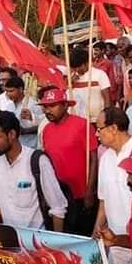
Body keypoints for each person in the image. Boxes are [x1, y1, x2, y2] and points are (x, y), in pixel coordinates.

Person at [0, 111, 68, 231]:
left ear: (12, 134)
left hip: (37, 243)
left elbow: (58, 208)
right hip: (10, 243)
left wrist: (55, 246)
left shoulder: (38, 161)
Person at [94, 107, 132, 264]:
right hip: (115, 241)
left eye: (99, 128)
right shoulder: (105, 158)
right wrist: (97, 229)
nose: (96, 133)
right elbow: (103, 201)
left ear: (113, 128)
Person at [38, 86, 98, 235]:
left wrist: (90, 191)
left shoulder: (82, 125)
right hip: (57, 196)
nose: (47, 110)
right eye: (45, 107)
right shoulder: (46, 130)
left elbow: (93, 158)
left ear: (65, 105)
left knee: (81, 237)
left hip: (80, 195)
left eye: (52, 106)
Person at [0, 77, 45, 148]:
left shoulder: (33, 104)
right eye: (7, 92)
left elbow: (43, 125)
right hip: (16, 145)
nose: (8, 94)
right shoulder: (9, 106)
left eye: (11, 91)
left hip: (31, 145)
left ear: (20, 89)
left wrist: (25, 130)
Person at [68, 48, 112, 123]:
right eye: (75, 67)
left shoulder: (100, 74)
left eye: (79, 66)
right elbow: (68, 98)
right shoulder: (72, 78)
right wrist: (70, 84)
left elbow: (107, 99)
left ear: (87, 62)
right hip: (80, 120)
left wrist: (105, 118)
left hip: (97, 120)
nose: (77, 69)